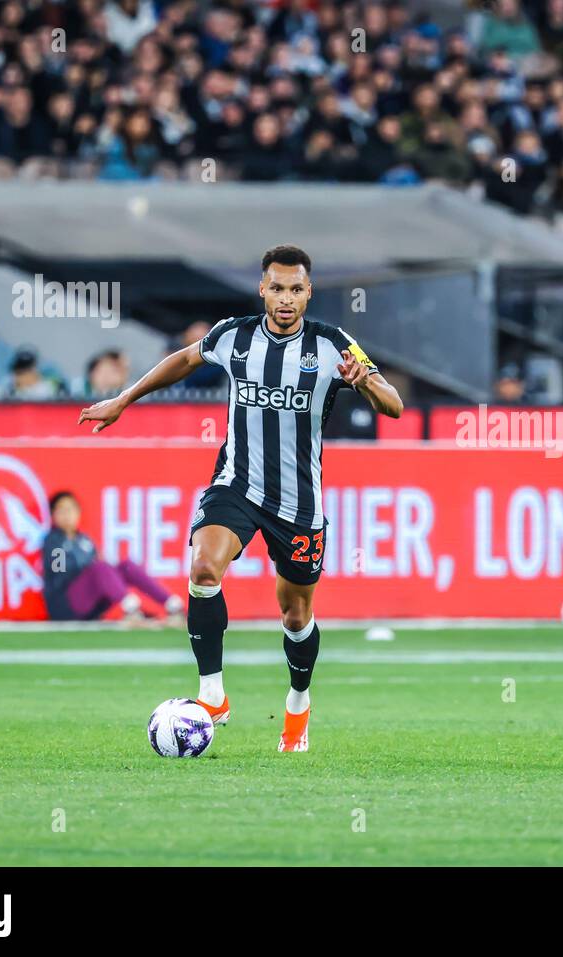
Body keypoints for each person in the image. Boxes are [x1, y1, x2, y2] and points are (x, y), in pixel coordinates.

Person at [78, 245, 404, 752]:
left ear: (308, 292)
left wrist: (365, 384)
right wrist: (124, 399)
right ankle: (213, 695)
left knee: (296, 616)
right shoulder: (233, 335)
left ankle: (298, 704)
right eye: (277, 288)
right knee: (203, 571)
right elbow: (185, 359)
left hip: (300, 505)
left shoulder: (336, 346)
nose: (286, 298)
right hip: (237, 484)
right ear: (262, 289)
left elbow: (395, 406)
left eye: (296, 289)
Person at [41, 491, 184, 623]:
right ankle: (132, 610)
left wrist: (99, 569)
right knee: (100, 568)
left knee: (125, 566)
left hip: (91, 604)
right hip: (65, 605)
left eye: (71, 509)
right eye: (62, 510)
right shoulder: (54, 542)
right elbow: (59, 573)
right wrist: (91, 568)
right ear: (53, 515)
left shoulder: (85, 541)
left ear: (78, 513)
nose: (67, 514)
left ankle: (173, 605)